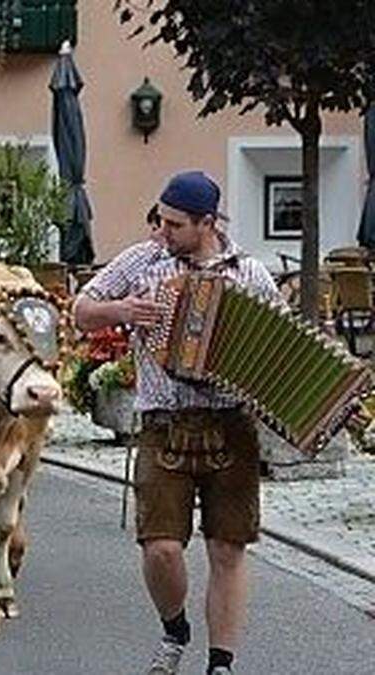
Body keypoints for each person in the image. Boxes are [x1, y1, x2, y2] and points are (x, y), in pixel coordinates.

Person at [73, 171, 281, 675]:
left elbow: (278, 345)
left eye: (174, 224)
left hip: (230, 424)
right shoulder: (142, 260)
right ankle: (175, 627)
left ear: (207, 223)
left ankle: (221, 663)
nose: (161, 232)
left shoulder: (250, 274)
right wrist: (122, 310)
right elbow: (81, 310)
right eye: (160, 220)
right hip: (163, 422)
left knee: (227, 546)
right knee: (161, 548)